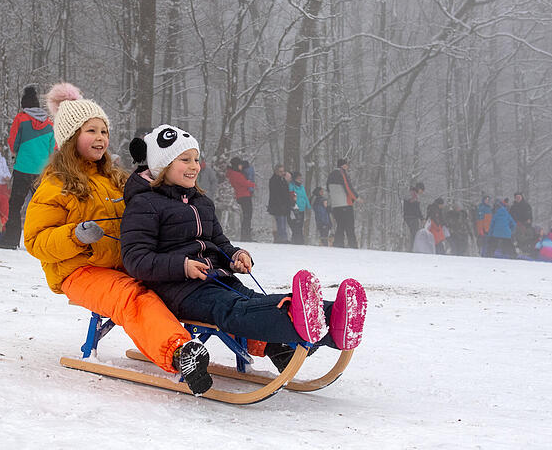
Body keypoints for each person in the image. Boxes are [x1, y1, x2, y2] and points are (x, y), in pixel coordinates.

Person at [120, 124, 368, 375]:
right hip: (178, 289)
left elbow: (219, 242)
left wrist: (236, 256)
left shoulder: (201, 202)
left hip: (219, 279)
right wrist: (183, 266)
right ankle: (297, 317)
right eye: (185, 160)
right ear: (162, 165)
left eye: (196, 159)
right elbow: (135, 258)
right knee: (232, 311)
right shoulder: (144, 204)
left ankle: (334, 316)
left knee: (253, 301)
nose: (195, 166)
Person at [23, 87, 214, 395]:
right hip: (79, 270)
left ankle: (260, 341)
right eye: (92, 131)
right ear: (71, 137)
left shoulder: (118, 179)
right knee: (131, 295)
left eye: (105, 131)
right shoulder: (56, 184)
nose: (101, 137)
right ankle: (181, 353)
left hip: (123, 262)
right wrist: (75, 236)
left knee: (181, 281)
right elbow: (35, 240)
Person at [0, 85, 56, 250]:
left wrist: (20, 150)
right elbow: (53, 149)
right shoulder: (50, 123)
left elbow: (13, 142)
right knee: (43, 205)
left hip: (23, 168)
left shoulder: (21, 119)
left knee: (15, 204)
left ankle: (11, 240)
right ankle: (45, 241)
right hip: (42, 171)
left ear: (24, 105)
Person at [327, 158, 360, 248]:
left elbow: (328, 189)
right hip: (345, 204)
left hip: (335, 205)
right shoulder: (342, 173)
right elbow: (347, 187)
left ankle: (338, 245)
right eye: (346, 165)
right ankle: (353, 246)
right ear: (343, 165)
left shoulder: (330, 175)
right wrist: (356, 197)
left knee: (340, 226)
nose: (347, 166)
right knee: (350, 227)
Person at [226, 157, 255, 242]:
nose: (241, 166)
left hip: (242, 195)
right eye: (240, 165)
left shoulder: (233, 173)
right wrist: (252, 184)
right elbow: (244, 183)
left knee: (247, 216)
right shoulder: (236, 174)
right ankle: (245, 236)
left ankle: (246, 235)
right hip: (244, 195)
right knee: (247, 216)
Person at [267, 164, 291, 243]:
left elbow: (286, 192)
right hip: (277, 205)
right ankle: (281, 238)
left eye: (283, 171)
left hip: (283, 205)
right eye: (280, 171)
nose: (282, 173)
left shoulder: (282, 180)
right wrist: (281, 204)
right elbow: (275, 193)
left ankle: (283, 238)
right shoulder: (274, 180)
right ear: (276, 171)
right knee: (280, 223)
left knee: (283, 222)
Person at [288, 171, 311, 245]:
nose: (300, 179)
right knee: (296, 225)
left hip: (302, 208)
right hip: (295, 208)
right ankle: (297, 241)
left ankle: (299, 241)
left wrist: (308, 206)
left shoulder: (302, 187)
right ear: (295, 179)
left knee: (300, 225)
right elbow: (291, 196)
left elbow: (305, 197)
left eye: (301, 178)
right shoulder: (291, 186)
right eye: (298, 178)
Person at [402, 182, 425, 251]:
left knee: (413, 233)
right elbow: (416, 208)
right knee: (414, 234)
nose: (422, 192)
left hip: (407, 216)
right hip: (412, 217)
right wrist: (422, 218)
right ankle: (412, 249)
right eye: (422, 190)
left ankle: (411, 248)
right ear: (419, 188)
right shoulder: (414, 195)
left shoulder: (410, 193)